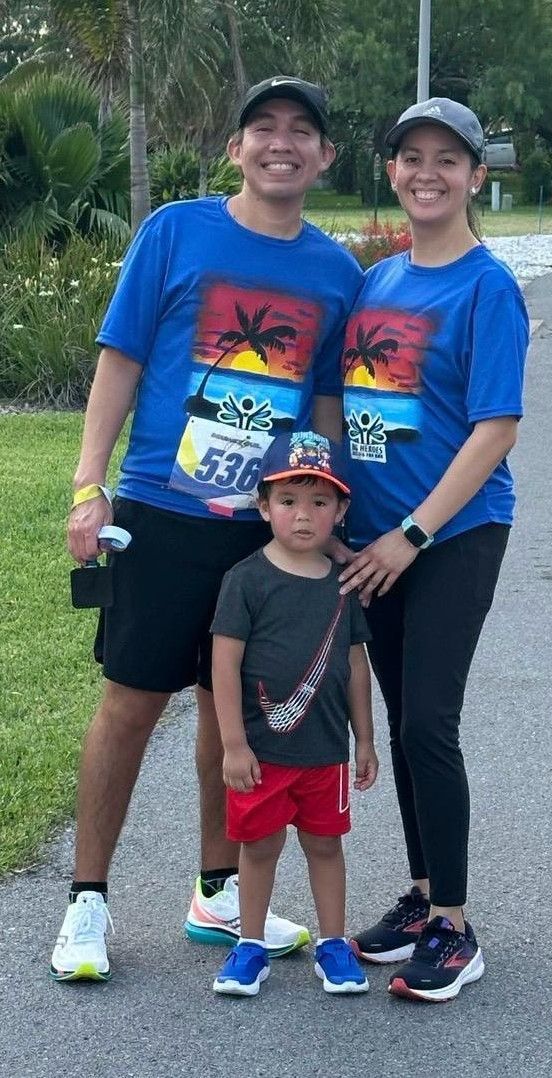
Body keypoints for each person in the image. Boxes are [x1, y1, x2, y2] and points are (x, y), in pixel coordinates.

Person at [50, 76, 364, 982]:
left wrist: (330, 515)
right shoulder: (177, 232)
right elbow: (123, 358)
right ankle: (87, 901)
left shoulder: (337, 272)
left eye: (300, 131)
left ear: (323, 157)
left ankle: (216, 890)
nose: (281, 143)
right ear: (237, 149)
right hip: (162, 509)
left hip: (268, 533)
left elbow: (330, 406)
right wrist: (86, 486)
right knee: (132, 702)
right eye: (262, 128)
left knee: (235, 714)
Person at [339, 98, 529, 1002]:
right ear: (390, 172)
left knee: (426, 725)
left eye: (448, 159)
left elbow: (495, 428)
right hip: (375, 546)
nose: (427, 172)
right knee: (407, 717)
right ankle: (420, 897)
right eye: (410, 155)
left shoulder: (488, 286)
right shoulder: (378, 283)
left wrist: (413, 534)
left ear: (476, 176)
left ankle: (454, 928)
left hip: (451, 535)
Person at [210, 431, 378, 996]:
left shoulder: (343, 584)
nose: (303, 516)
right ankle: (249, 946)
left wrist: (366, 740)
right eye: (288, 501)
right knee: (258, 848)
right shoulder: (246, 580)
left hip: (324, 753)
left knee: (327, 846)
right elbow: (224, 667)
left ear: (340, 510)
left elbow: (356, 665)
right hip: (262, 755)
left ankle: (334, 944)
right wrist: (233, 745)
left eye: (319, 502)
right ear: (263, 507)